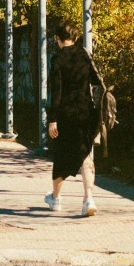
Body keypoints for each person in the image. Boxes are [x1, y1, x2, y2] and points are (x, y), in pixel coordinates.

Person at [44, 18, 103, 217]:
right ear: (76, 37)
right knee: (86, 154)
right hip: (86, 113)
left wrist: (52, 119)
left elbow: (56, 92)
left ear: (57, 38)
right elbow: (95, 80)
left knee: (61, 155)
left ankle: (56, 198)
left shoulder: (57, 59)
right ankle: (88, 199)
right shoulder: (84, 54)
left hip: (65, 115)